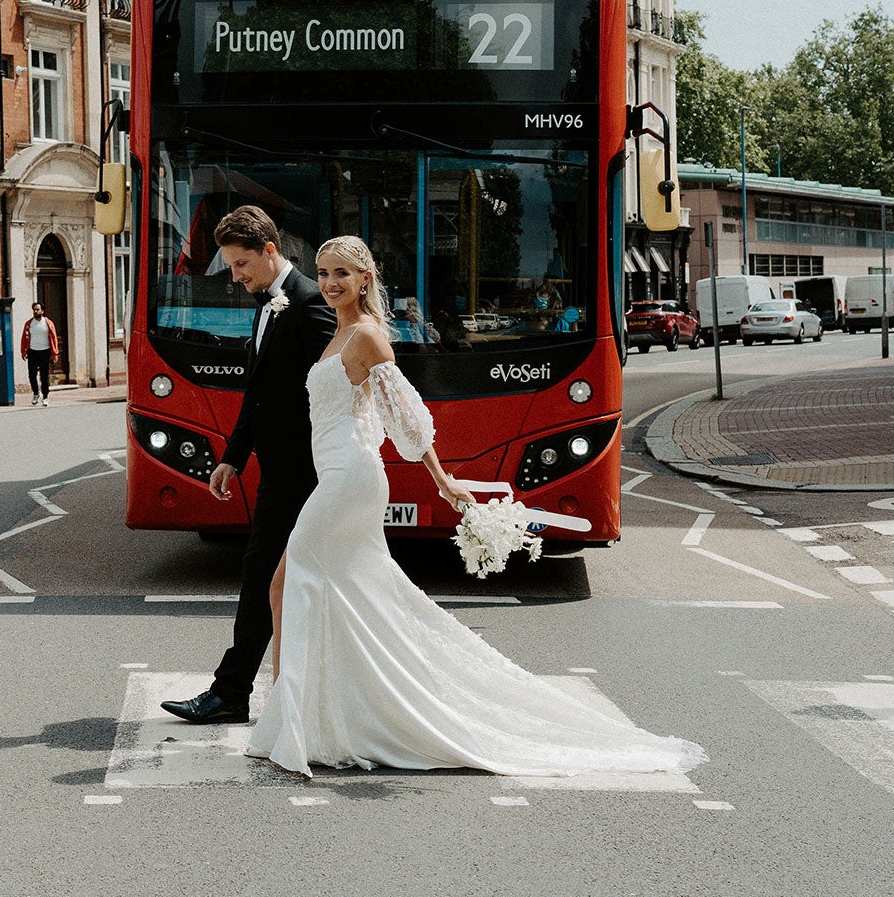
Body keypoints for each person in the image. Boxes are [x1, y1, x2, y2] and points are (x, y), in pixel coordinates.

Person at [243, 234, 706, 779]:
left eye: (341, 273)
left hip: (350, 478)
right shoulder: (339, 330)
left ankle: (287, 716)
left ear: (365, 279)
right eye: (322, 273)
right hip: (340, 470)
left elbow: (406, 417)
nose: (329, 283)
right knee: (347, 593)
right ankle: (322, 714)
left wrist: (443, 480)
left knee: (285, 582)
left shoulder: (366, 335)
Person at [163, 205, 336, 727]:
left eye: (240, 266)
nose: (235, 278)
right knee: (276, 577)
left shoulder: (309, 304)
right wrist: (233, 458)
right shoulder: (270, 303)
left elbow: (336, 392)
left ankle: (232, 691)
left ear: (268, 250)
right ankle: (242, 691)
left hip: (304, 474)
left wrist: (325, 464)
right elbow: (259, 391)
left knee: (266, 574)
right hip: (278, 471)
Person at [23, 302, 59, 406]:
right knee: (32, 375)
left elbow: (54, 338)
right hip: (32, 352)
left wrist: (55, 353)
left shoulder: (48, 323)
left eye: (37, 309)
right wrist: (24, 351)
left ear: (42, 311)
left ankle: (45, 396)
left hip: (45, 351)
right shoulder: (29, 324)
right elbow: (24, 339)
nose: (35, 311)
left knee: (44, 376)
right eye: (34, 309)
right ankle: (36, 393)